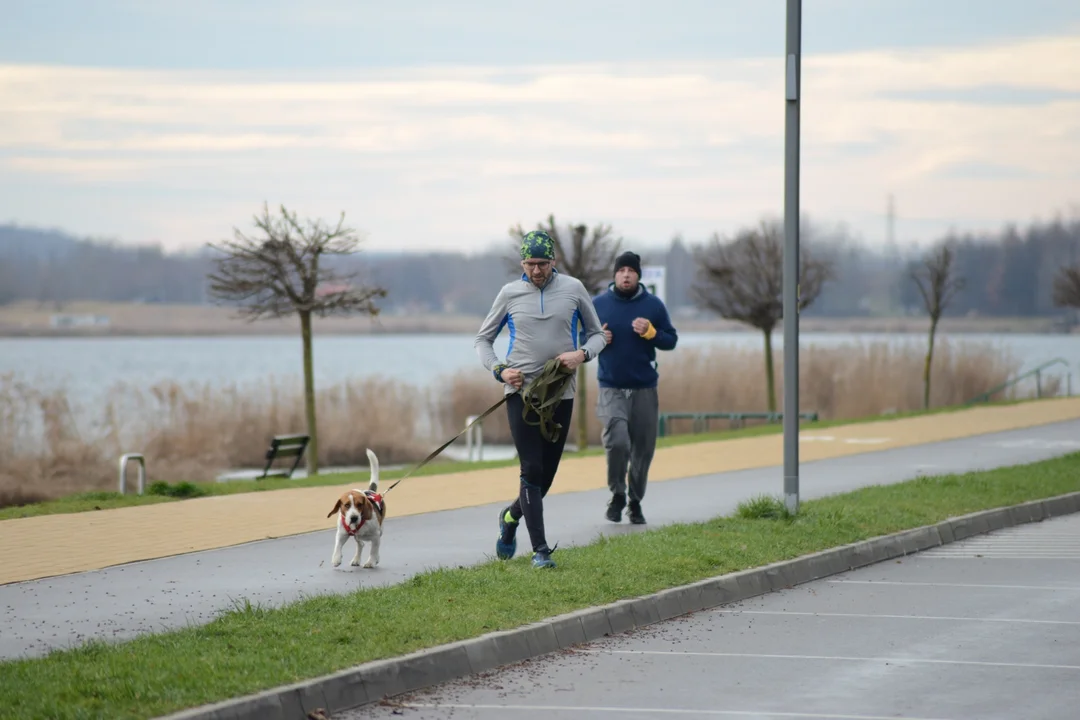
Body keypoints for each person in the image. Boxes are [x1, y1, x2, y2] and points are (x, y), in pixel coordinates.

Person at [474, 230, 608, 569]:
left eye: (543, 264)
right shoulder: (510, 293)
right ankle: (541, 551)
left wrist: (582, 354)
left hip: (561, 393)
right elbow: (483, 340)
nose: (537, 270)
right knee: (530, 468)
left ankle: (509, 516)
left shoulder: (574, 289)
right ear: (522, 263)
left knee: (544, 477)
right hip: (521, 393)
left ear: (553, 262)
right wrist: (500, 371)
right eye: (531, 264)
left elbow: (597, 335)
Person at [591, 251, 678, 525]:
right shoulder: (598, 304)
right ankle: (617, 494)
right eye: (621, 270)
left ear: (638, 275)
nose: (626, 275)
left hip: (644, 388)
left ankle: (635, 501)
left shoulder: (653, 306)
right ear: (614, 275)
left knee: (643, 450)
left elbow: (671, 340)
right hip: (611, 387)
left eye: (631, 270)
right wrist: (597, 338)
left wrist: (652, 333)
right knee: (617, 442)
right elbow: (580, 339)